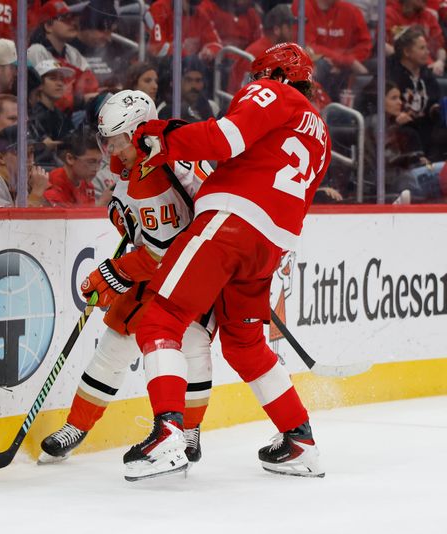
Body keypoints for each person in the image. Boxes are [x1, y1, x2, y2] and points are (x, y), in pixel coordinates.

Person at [122, 43, 330, 481]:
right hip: (269, 245)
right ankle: (300, 440)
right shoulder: (321, 133)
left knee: (160, 318)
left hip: (231, 224)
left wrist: (164, 137)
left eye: (259, 76)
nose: (253, 84)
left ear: (274, 74)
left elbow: (224, 139)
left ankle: (168, 432)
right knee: (244, 342)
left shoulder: (275, 93)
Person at [39, 90, 215, 465]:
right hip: (167, 266)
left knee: (192, 347)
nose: (111, 148)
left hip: (190, 271)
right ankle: (77, 426)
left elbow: (163, 251)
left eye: (118, 139)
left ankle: (189, 432)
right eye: (108, 140)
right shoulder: (140, 163)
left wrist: (114, 272)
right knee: (114, 347)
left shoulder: (151, 176)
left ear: (139, 132)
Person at [27, 0, 100, 111]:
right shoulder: (35, 51)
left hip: (69, 113)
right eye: (64, 18)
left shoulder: (72, 53)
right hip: (44, 114)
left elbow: (90, 86)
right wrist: (79, 98)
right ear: (48, 26)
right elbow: (46, 96)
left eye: (72, 18)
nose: (72, 23)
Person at [291, 0, 372, 100]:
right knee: (322, 66)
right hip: (318, 68)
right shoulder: (303, 5)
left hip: (344, 70)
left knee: (376, 67)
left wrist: (342, 62)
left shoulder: (351, 10)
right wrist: (346, 61)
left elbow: (365, 44)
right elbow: (308, 46)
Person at [387, 26, 445, 161]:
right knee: (409, 134)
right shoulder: (390, 73)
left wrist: (436, 108)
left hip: (426, 127)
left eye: (426, 47)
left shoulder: (426, 74)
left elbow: (433, 101)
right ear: (407, 51)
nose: (427, 52)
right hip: (401, 128)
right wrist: (393, 117)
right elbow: (376, 104)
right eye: (422, 48)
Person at [30, 58, 76, 165]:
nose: (60, 83)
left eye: (62, 79)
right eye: (53, 78)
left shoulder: (61, 115)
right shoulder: (34, 115)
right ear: (40, 84)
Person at [43, 132, 101, 207]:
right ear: (70, 158)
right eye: (91, 162)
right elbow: (62, 217)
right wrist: (101, 204)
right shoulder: (53, 186)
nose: (96, 168)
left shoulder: (88, 185)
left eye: (99, 162)